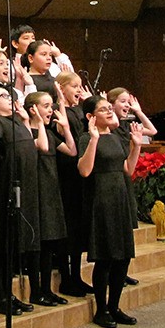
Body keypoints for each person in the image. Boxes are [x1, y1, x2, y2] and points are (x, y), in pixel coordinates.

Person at [0, 87, 46, 315]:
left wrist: (26, 119)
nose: (11, 98)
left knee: (13, 246)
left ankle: (10, 294)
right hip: (4, 190)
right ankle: (0, 296)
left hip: (23, 190)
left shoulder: (16, 121)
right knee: (1, 245)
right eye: (4, 96)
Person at [77, 95, 142, 328]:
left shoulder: (115, 138)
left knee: (122, 257)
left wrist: (136, 146)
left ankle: (115, 306)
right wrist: (94, 140)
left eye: (108, 108)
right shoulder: (86, 138)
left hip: (120, 198)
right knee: (105, 258)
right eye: (103, 109)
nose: (109, 111)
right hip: (100, 200)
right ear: (90, 117)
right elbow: (84, 171)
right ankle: (101, 309)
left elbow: (127, 169)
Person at [24, 89, 77, 306]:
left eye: (51, 105)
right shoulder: (27, 132)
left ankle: (46, 289)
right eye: (46, 106)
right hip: (35, 192)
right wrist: (35, 122)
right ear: (33, 109)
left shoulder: (50, 133)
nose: (51, 110)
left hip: (51, 191)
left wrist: (65, 128)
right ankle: (36, 291)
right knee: (37, 245)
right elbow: (42, 146)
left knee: (49, 244)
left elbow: (72, 151)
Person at [108, 87, 158, 286]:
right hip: (114, 177)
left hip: (125, 179)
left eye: (128, 102)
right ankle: (114, 272)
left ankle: (122, 272)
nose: (126, 105)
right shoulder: (110, 126)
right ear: (111, 104)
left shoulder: (127, 125)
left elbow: (152, 131)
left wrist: (138, 111)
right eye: (123, 101)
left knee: (127, 227)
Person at [55, 71, 93, 296]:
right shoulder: (60, 112)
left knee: (78, 229)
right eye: (74, 86)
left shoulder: (80, 110)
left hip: (81, 174)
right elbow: (61, 131)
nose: (78, 90)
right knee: (67, 227)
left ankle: (77, 276)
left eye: (80, 86)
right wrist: (60, 101)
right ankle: (65, 278)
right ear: (61, 88)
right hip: (66, 174)